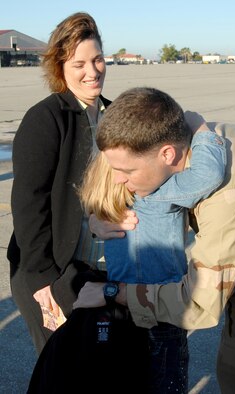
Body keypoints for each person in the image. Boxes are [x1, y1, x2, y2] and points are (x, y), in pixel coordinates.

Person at [75, 117, 235, 392]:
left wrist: (113, 292)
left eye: (127, 171)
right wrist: (97, 219)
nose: (120, 178)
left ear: (166, 154)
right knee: (233, 368)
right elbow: (101, 183)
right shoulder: (162, 150)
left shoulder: (219, 193)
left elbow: (197, 306)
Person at [78, 86, 227, 393]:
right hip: (161, 309)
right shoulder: (160, 191)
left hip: (119, 307)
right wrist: (199, 128)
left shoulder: (106, 195)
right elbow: (208, 174)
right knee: (165, 382)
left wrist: (93, 222)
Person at [6, 12, 138, 355]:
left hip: (100, 269)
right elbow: (28, 205)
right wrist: (45, 281)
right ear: (60, 67)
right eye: (79, 63)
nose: (92, 72)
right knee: (62, 368)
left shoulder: (114, 115)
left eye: (97, 59)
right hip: (53, 270)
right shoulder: (47, 118)